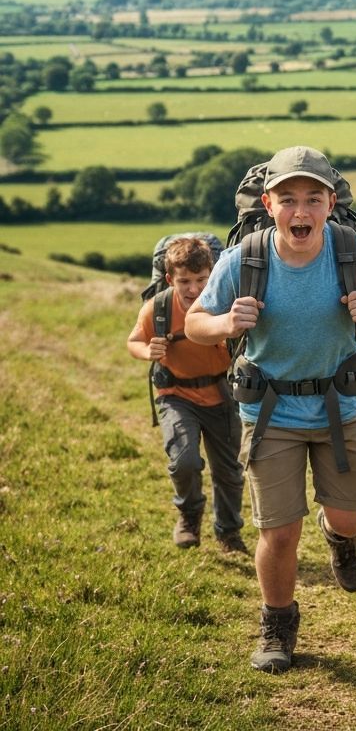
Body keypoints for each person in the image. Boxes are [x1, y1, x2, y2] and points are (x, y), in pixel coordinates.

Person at [185, 146, 356, 674]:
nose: (301, 211)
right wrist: (224, 325)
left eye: (313, 198)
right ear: (269, 204)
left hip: (341, 407)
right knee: (279, 529)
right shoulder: (244, 259)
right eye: (289, 199)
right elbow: (196, 320)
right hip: (271, 413)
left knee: (350, 517)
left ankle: (340, 538)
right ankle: (277, 623)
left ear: (331, 202)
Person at [127, 237, 246, 553]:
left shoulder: (223, 301)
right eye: (184, 282)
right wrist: (147, 351)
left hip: (223, 395)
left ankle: (228, 533)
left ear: (213, 274)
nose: (193, 289)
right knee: (185, 462)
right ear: (169, 279)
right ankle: (189, 518)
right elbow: (134, 341)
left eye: (201, 280)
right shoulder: (159, 307)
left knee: (229, 471)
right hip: (176, 394)